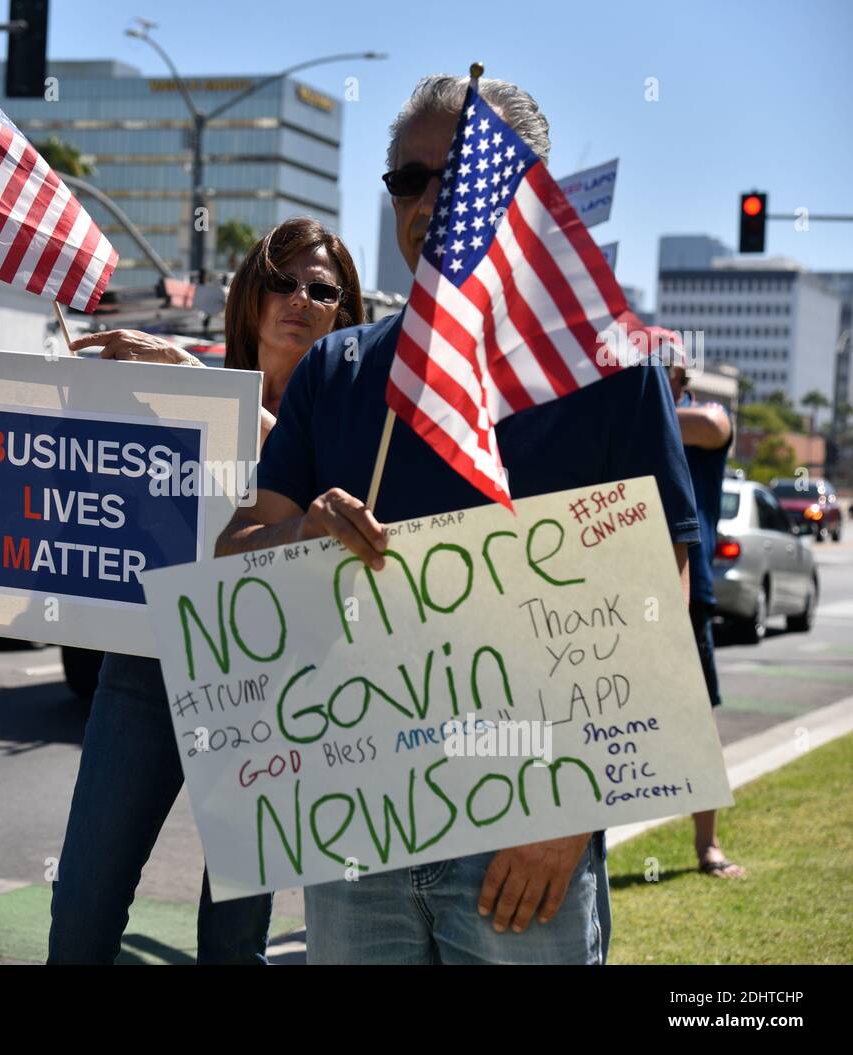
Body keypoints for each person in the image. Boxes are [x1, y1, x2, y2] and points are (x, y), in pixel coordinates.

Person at [215, 74, 702, 965]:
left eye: (463, 172)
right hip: (356, 827)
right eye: (409, 178)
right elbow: (234, 555)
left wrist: (573, 812)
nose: (432, 199)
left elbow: (657, 598)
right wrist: (301, 535)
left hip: (529, 832)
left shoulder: (609, 372)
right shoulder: (336, 370)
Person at [47, 217, 365, 964]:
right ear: (251, 294)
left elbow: (293, 467)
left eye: (322, 290)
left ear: (344, 314)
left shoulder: (353, 419)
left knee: (231, 945)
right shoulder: (184, 386)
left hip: (276, 691)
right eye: (282, 280)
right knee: (81, 919)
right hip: (149, 666)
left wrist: (184, 380)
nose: (299, 299)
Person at [658, 331, 745, 879]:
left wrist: (642, 407)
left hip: (687, 592)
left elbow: (716, 426)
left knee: (698, 723)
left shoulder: (700, 419)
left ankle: (707, 845)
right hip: (623, 587)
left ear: (677, 376)